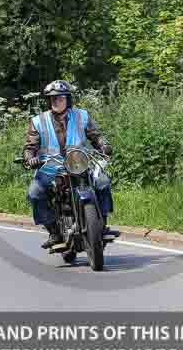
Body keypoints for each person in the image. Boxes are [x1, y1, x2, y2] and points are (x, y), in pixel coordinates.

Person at [22, 80, 118, 249]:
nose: (56, 101)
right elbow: (30, 146)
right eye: (52, 98)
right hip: (51, 168)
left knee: (102, 182)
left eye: (60, 97)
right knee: (35, 193)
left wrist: (104, 145)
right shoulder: (38, 121)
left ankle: (101, 224)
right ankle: (54, 231)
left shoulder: (81, 115)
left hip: (79, 163)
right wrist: (30, 158)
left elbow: (96, 135)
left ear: (68, 99)